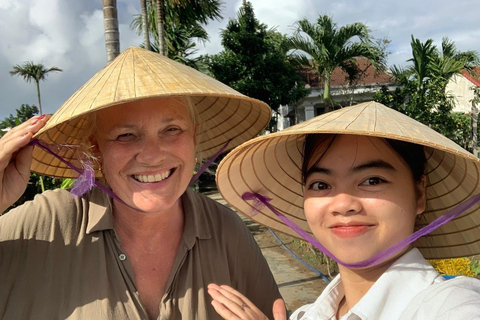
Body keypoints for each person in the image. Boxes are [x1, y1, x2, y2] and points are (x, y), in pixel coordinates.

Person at [0, 46, 281, 320]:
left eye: (171, 130)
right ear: (97, 149)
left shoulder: (226, 231)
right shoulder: (49, 223)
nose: (151, 155)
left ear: (193, 138)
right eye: (125, 135)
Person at [209, 101, 480, 320]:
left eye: (372, 180)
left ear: (419, 194)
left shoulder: (451, 306)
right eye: (320, 184)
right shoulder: (307, 315)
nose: (342, 205)